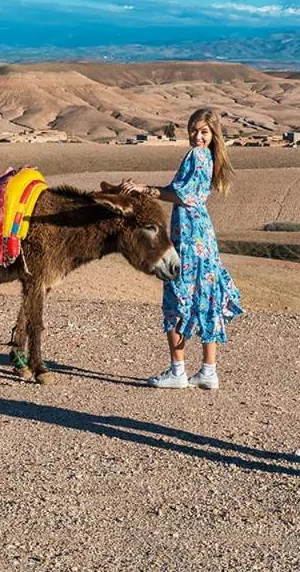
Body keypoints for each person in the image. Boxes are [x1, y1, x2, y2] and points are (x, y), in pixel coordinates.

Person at [120, 108, 243, 390]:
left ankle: (178, 371)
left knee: (177, 296)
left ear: (213, 135)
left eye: (204, 132)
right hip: (203, 234)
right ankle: (208, 371)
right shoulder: (210, 158)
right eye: (194, 130)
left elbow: (182, 195)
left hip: (188, 235)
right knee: (205, 296)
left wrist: (145, 189)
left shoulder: (196, 156)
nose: (197, 137)